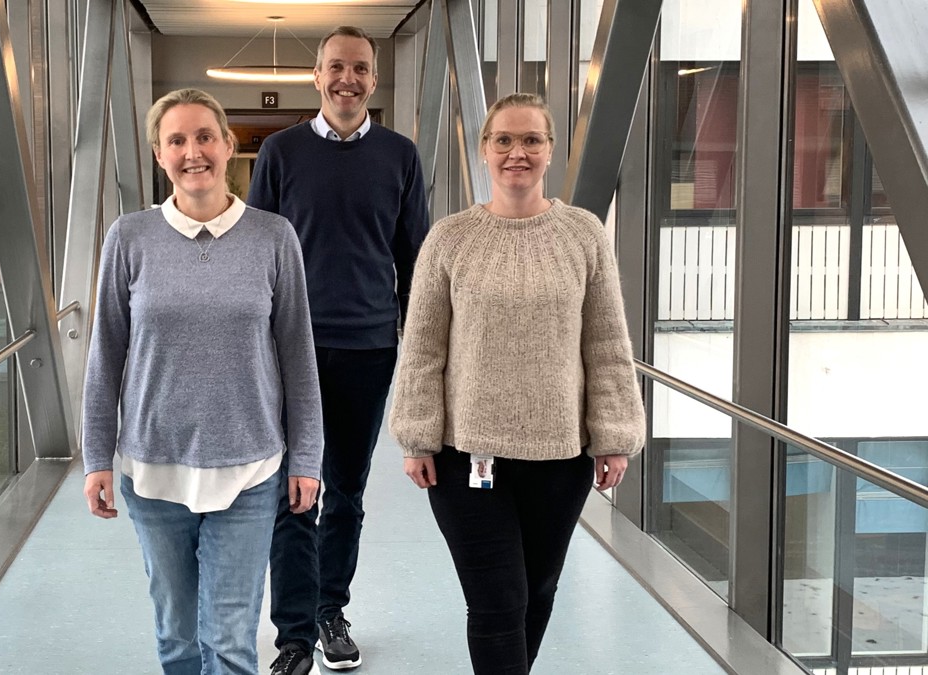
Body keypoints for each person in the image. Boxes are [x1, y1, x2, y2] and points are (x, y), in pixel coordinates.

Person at [388, 92, 647, 674]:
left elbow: (606, 343)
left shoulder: (583, 234)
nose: (517, 152)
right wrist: (416, 435)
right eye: (503, 139)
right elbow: (423, 345)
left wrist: (614, 434)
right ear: (485, 150)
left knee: (538, 592)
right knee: (497, 602)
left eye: (531, 139)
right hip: (466, 456)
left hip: (561, 456)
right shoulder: (450, 239)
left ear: (550, 151)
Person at [81, 88, 323, 675]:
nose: (194, 152)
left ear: (228, 143)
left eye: (205, 136)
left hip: (250, 470)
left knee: (231, 641)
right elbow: (105, 356)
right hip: (153, 469)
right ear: (159, 155)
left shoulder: (273, 237)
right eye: (177, 140)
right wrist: (96, 459)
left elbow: (297, 356)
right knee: (178, 638)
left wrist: (307, 458)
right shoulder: (130, 238)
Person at [247, 25, 430, 675]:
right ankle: (293, 635)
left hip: (370, 348)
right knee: (295, 492)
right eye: (335, 68)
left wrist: (418, 353)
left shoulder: (400, 157)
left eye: (359, 68)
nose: (347, 78)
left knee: (346, 490)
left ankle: (331, 609)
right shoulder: (280, 151)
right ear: (317, 77)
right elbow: (254, 256)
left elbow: (417, 262)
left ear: (373, 80)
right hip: (290, 352)